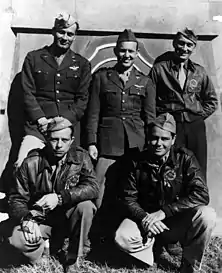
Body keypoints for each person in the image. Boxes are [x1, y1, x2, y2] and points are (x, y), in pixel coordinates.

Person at [115, 113, 216, 273]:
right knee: (122, 237)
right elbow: (128, 199)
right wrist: (144, 217)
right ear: (148, 138)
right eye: (154, 138)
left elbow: (202, 194)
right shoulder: (135, 162)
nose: (158, 143)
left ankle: (189, 265)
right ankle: (149, 256)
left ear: (173, 139)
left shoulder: (185, 158)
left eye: (164, 139)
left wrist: (165, 212)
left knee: (207, 215)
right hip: (145, 220)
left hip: (174, 221)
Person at [4, 118, 99, 270]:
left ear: (71, 140)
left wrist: (60, 197)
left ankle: (73, 258)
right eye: (54, 140)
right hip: (41, 219)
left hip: (68, 218)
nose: (59, 145)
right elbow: (16, 199)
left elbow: (93, 187)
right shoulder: (31, 162)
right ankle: (40, 253)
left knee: (86, 207)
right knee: (17, 239)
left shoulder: (81, 157)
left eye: (64, 139)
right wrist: (27, 218)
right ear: (46, 139)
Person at [85, 29, 156, 229]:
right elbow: (93, 113)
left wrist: (150, 145)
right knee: (99, 189)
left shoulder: (145, 81)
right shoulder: (102, 78)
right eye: (123, 51)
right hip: (107, 143)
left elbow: (150, 117)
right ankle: (94, 234)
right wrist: (91, 142)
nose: (126, 55)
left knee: (136, 190)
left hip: (136, 145)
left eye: (131, 52)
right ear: (116, 51)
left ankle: (134, 231)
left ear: (137, 53)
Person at [15, 12, 91, 168]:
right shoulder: (34, 58)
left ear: (74, 37)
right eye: (61, 32)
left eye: (70, 34)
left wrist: (65, 121)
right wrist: (41, 120)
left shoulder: (82, 64)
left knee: (70, 172)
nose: (65, 37)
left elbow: (83, 99)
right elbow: (27, 93)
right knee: (22, 165)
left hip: (67, 130)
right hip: (38, 128)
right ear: (53, 31)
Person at [148, 27, 218, 178]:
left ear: (193, 48)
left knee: (197, 166)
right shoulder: (159, 69)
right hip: (171, 126)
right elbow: (149, 101)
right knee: (172, 165)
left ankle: (197, 199)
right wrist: (160, 123)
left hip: (195, 126)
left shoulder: (199, 72)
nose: (184, 48)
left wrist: (197, 115)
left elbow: (212, 101)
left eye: (189, 45)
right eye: (181, 43)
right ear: (174, 44)